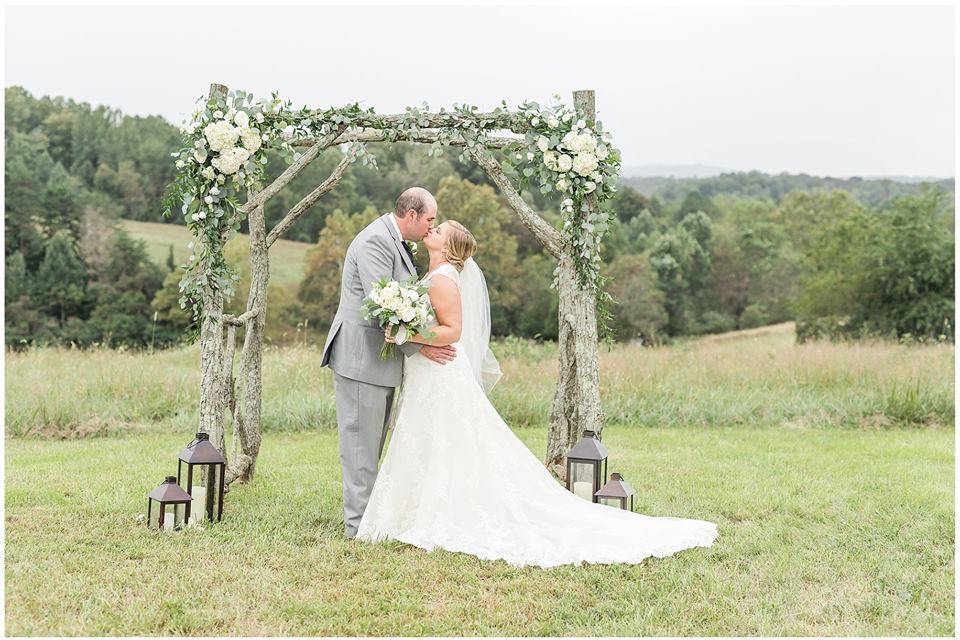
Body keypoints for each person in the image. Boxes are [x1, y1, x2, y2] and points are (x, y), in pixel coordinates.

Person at [355, 220, 719, 568]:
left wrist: (406, 335)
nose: (432, 230)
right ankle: (418, 507)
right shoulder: (436, 276)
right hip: (429, 374)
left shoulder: (443, 281)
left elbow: (452, 332)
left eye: (440, 230)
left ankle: (439, 511)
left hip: (440, 374)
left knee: (449, 440)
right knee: (434, 440)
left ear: (448, 248)